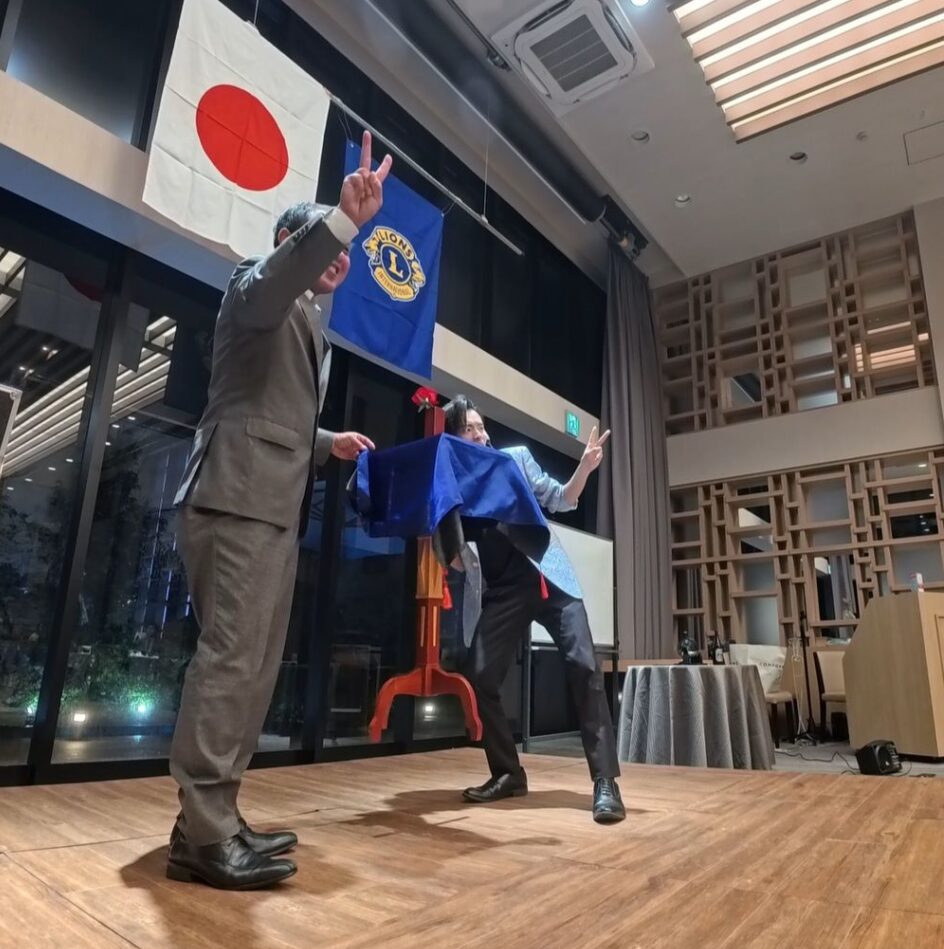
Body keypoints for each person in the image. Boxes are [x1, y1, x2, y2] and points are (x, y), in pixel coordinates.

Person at [167, 132, 393, 890]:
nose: (340, 258)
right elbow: (277, 279)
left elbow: (269, 408)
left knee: (255, 669)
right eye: (327, 243)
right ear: (292, 241)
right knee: (232, 660)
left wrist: (327, 442)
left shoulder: (307, 322)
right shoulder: (255, 286)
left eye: (346, 252)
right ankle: (205, 832)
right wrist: (343, 219)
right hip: (234, 498)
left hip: (269, 506)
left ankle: (210, 822)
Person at [443, 395, 625, 824]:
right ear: (454, 438)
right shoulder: (453, 485)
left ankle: (605, 781)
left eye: (481, 425)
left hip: (550, 580)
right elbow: (453, 556)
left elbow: (560, 498)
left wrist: (585, 468)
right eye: (469, 428)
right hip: (503, 591)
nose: (480, 434)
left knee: (584, 665)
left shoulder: (516, 459)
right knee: (480, 674)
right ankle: (508, 772)